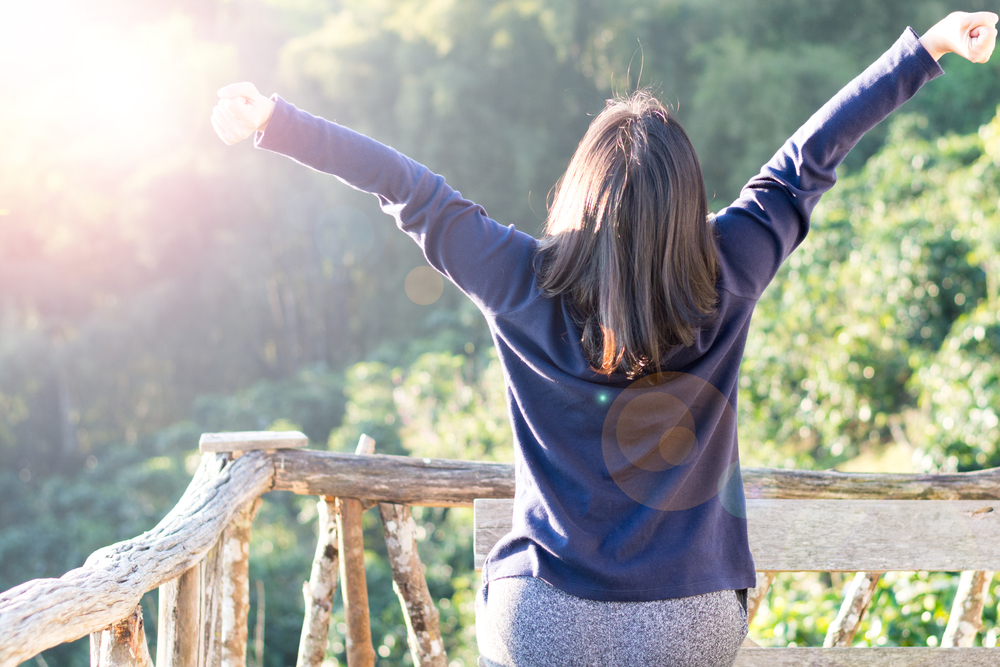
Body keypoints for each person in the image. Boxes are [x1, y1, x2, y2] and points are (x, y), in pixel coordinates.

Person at [213, 11, 996, 667]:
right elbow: (805, 163)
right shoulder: (731, 268)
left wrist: (277, 124)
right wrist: (924, 51)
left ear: (579, 192)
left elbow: (407, 188)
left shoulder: (518, 278)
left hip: (542, 621)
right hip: (689, 624)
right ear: (687, 198)